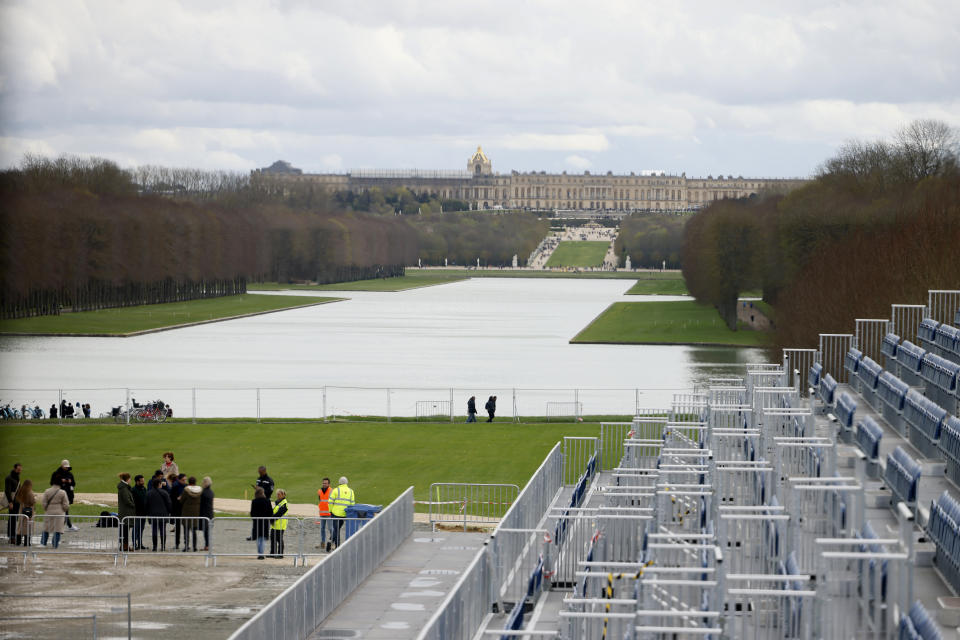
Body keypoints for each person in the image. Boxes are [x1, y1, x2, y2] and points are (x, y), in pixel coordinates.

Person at [328, 476, 355, 552]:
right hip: (345, 514)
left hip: (335, 513)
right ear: (347, 483)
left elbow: (330, 502)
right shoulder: (351, 491)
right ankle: (330, 542)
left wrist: (330, 511)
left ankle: (337, 546)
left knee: (336, 530)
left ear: (339, 483)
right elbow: (352, 504)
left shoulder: (336, 490)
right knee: (337, 529)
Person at [247, 466, 274, 541]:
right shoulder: (258, 479)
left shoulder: (269, 480)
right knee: (256, 520)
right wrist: (256, 489)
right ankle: (254, 536)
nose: (259, 473)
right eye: (259, 472)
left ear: (264, 471)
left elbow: (270, 491)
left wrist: (262, 491)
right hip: (257, 501)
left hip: (265, 501)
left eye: (260, 472)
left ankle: (265, 536)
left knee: (265, 520)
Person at [50, 460, 78, 531]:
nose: (66, 468)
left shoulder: (70, 474)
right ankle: (67, 525)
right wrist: (61, 481)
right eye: (65, 467)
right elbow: (52, 483)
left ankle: (63, 525)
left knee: (65, 510)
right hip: (58, 495)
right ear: (62, 466)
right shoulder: (56, 474)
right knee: (63, 511)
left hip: (68, 495)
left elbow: (74, 484)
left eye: (67, 467)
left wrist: (69, 482)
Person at [41, 481, 69, 548]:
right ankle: (55, 544)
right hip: (59, 512)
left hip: (49, 511)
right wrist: (64, 510)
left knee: (46, 528)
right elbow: (66, 504)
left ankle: (43, 543)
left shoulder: (47, 491)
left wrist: (46, 509)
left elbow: (44, 503)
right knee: (57, 529)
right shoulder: (62, 492)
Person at [146, 478, 171, 551]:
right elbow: (169, 503)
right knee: (163, 530)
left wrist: (148, 513)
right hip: (163, 514)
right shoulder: (164, 493)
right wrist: (169, 512)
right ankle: (163, 546)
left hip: (153, 514)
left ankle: (155, 546)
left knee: (154, 531)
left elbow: (146, 505)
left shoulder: (149, 493)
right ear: (159, 484)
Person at [179, 476, 202, 552]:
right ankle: (194, 546)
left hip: (186, 512)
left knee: (186, 530)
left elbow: (182, 500)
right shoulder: (200, 490)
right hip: (195, 512)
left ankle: (186, 546)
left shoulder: (186, 490)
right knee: (194, 531)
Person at [249, 487, 272, 559]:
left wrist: (254, 519)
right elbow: (270, 512)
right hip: (265, 522)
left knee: (258, 538)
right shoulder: (267, 501)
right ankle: (261, 553)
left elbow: (252, 513)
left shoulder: (254, 501)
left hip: (257, 522)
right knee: (263, 538)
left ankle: (260, 553)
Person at [116, 473, 135, 551]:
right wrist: (133, 505)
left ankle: (123, 545)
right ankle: (125, 546)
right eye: (130, 479)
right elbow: (127, 500)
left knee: (124, 529)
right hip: (126, 512)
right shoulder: (124, 488)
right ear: (127, 479)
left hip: (124, 511)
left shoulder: (123, 487)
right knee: (125, 530)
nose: (130, 480)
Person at [14, 479, 35, 546]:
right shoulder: (30, 492)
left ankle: (18, 541)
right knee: (28, 527)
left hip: (21, 510)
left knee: (20, 526)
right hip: (28, 510)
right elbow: (32, 502)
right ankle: (26, 542)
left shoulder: (21, 491)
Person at [5, 463, 22, 544]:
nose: (20, 471)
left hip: (17, 501)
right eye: (18, 469)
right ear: (14, 469)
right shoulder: (9, 478)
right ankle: (11, 537)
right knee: (12, 519)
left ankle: (12, 536)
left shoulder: (17, 477)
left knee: (14, 519)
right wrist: (10, 502)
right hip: (12, 502)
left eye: (20, 469)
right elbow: (7, 491)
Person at [270, 489, 289, 558]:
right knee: (272, 539)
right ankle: (272, 553)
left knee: (279, 539)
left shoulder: (284, 504)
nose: (277, 496)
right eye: (277, 494)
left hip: (281, 525)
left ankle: (280, 554)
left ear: (283, 495)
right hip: (275, 525)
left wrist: (271, 519)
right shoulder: (278, 503)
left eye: (279, 494)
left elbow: (279, 514)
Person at [169, 473, 186, 548]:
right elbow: (172, 499)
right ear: (179, 480)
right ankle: (177, 544)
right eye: (183, 480)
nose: (184, 481)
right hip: (177, 510)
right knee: (178, 528)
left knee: (186, 527)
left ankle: (186, 544)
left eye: (185, 480)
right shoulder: (175, 487)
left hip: (185, 510)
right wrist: (178, 499)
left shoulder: (186, 486)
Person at [132, 474, 148, 549]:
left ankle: (140, 543)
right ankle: (134, 544)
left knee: (141, 529)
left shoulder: (144, 489)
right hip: (136, 513)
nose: (143, 482)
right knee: (136, 529)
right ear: (137, 482)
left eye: (143, 481)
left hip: (143, 513)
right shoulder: (133, 490)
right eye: (142, 481)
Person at [317, 477, 332, 547]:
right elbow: (320, 501)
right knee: (322, 529)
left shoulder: (331, 491)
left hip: (329, 513)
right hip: (322, 513)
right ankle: (322, 543)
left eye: (326, 483)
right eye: (323, 483)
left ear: (329, 484)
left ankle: (332, 542)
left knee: (331, 529)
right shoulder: (319, 491)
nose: (324, 484)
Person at [200, 476, 214, 551]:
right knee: (207, 531)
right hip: (210, 513)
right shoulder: (211, 492)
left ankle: (207, 545)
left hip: (204, 513)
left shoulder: (203, 493)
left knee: (206, 531)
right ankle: (207, 545)